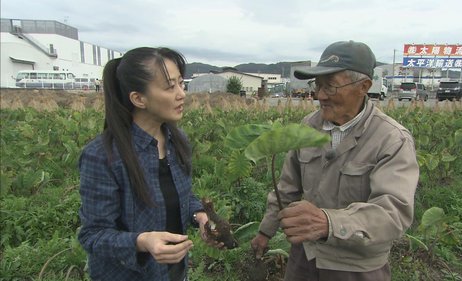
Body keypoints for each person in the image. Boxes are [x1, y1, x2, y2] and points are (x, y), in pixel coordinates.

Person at [251, 40, 419, 281]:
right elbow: (288, 187)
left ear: (364, 86)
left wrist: (329, 223)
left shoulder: (391, 139)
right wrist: (265, 231)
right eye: (317, 85)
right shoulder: (308, 127)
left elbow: (393, 213)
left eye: (330, 87)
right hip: (305, 257)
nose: (319, 96)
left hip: (356, 267)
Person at [78, 47, 220, 281]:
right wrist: (142, 242)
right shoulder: (103, 155)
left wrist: (199, 216)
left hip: (175, 273)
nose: (181, 94)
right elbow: (93, 235)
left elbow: (178, 196)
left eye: (181, 84)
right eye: (169, 86)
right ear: (138, 98)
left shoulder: (177, 140)